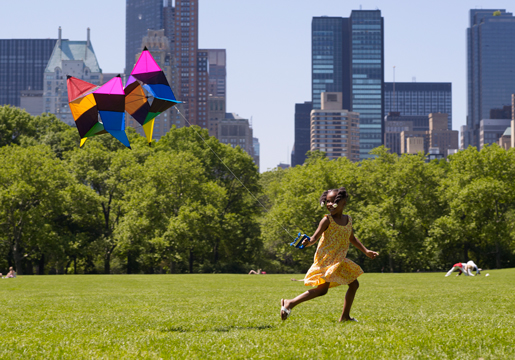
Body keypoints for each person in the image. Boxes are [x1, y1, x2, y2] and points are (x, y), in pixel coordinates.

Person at [280, 187, 378, 322]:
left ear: (343, 202)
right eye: (327, 201)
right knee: (323, 290)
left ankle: (344, 317)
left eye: (333, 201)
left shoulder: (348, 220)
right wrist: (307, 241)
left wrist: (366, 251)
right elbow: (314, 238)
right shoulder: (327, 220)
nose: (329, 204)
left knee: (352, 285)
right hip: (326, 260)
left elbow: (352, 238)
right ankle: (290, 303)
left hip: (339, 260)